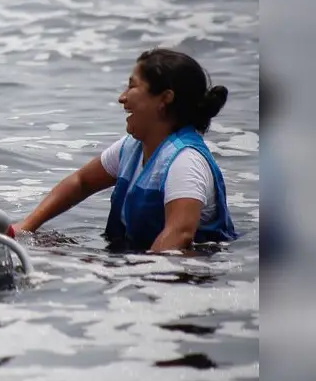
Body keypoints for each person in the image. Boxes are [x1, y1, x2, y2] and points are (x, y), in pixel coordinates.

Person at [12, 48, 238, 252]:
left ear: (164, 99)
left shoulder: (185, 161)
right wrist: (25, 227)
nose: (122, 97)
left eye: (132, 86)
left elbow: (179, 236)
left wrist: (132, 280)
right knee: (45, 245)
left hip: (181, 277)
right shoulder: (132, 148)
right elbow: (81, 182)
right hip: (136, 261)